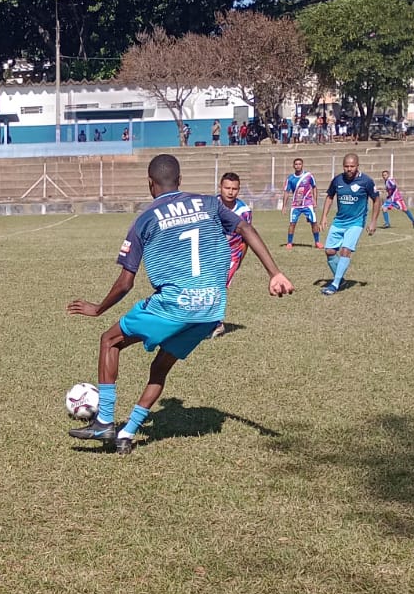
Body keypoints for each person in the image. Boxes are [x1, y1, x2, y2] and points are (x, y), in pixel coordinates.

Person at [67, 155, 292, 454]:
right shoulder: (210, 204)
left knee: (110, 341)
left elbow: (125, 283)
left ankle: (105, 420)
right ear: (180, 180)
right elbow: (245, 230)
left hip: (174, 305)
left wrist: (97, 308)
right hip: (211, 310)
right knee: (160, 368)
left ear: (150, 184)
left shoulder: (145, 219)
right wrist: (274, 272)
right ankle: (127, 434)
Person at [320, 153, 378, 295]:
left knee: (345, 250)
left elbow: (376, 200)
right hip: (339, 221)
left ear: (357, 166)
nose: (349, 169)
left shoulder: (366, 181)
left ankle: (335, 284)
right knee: (329, 251)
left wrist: (373, 221)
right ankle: (342, 280)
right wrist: (324, 217)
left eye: (352, 166)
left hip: (356, 222)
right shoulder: (337, 180)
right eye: (346, 166)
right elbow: (329, 197)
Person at [212, 172, 252, 338]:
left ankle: (217, 323)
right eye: (227, 188)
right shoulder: (211, 205)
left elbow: (247, 237)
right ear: (220, 187)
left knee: (218, 286)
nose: (230, 192)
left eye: (234, 189)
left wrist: (240, 259)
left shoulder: (244, 211)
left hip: (232, 254)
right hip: (211, 252)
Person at [284, 158, 321, 249]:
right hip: (296, 205)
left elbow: (314, 187)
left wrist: (315, 200)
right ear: (293, 166)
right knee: (292, 223)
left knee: (314, 222)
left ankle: (317, 242)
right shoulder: (290, 178)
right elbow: (286, 192)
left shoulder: (308, 176)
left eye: (299, 164)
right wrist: (284, 206)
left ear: (302, 165)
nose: (298, 166)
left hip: (308, 204)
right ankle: (289, 243)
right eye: (296, 164)